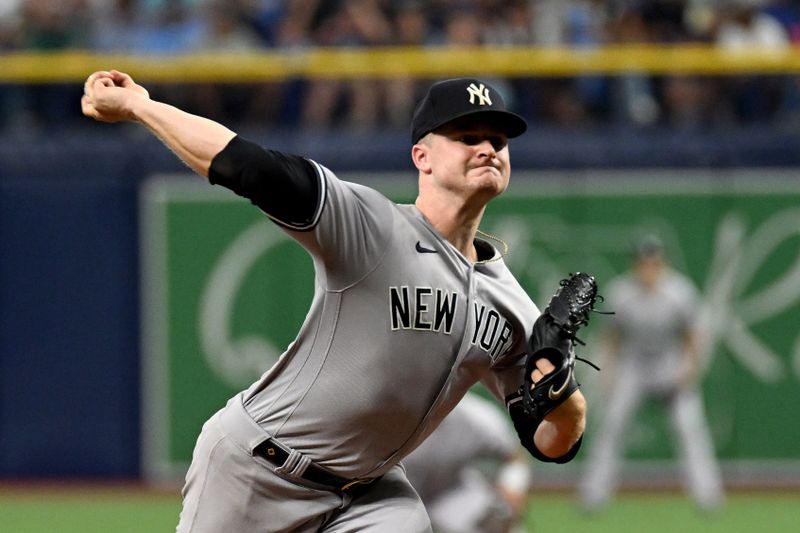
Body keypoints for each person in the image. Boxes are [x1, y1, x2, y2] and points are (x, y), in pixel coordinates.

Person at [82, 71, 587, 532]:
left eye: (498, 141)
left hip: (369, 494)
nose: (488, 149)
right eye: (468, 137)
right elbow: (247, 165)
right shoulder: (371, 226)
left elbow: (550, 442)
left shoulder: (512, 305)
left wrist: (564, 399)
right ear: (422, 157)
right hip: (257, 468)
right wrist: (141, 106)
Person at [578, 235, 724, 513]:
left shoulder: (680, 291)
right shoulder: (622, 291)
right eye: (643, 263)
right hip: (634, 365)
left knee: (690, 430)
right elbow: (611, 336)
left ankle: (708, 497)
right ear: (635, 264)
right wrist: (608, 373)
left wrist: (690, 368)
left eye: (653, 262)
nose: (648, 268)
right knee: (611, 428)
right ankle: (593, 495)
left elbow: (694, 334)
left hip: (670, 362)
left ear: (662, 263)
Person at [403, 391, 532, 533]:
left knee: (500, 525)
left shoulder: (477, 416)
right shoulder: (386, 415)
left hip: (449, 489)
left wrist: (513, 486)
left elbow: (514, 456)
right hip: (395, 493)